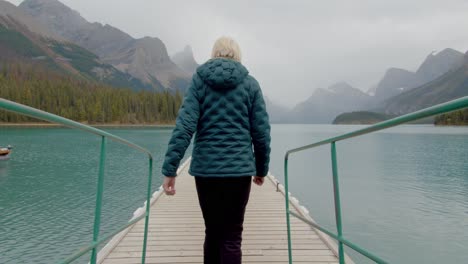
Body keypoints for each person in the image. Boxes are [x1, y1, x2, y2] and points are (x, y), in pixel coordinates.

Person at [161, 36, 271, 264]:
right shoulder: (251, 85)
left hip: (206, 172)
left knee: (212, 232)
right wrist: (261, 170)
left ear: (213, 53)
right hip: (239, 172)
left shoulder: (199, 82)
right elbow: (261, 133)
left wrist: (170, 169)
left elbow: (185, 126)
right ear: (238, 55)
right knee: (232, 236)